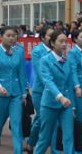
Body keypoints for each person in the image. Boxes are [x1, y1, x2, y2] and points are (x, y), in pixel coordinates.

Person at [33, 31, 80, 154]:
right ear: (52, 43)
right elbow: (48, 81)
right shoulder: (45, 60)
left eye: (66, 41)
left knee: (68, 136)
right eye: (61, 41)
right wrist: (60, 97)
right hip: (49, 104)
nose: (64, 44)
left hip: (66, 106)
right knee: (45, 137)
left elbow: (69, 86)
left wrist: (72, 107)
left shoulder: (67, 61)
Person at [0, 26, 28, 154]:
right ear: (1, 36)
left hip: (15, 94)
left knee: (17, 125)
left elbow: (21, 74)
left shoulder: (18, 52)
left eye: (14, 35)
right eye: (8, 35)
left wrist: (24, 94)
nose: (11, 38)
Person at [26, 26, 56, 154]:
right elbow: (41, 72)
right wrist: (53, 89)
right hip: (41, 90)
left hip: (56, 91)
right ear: (43, 37)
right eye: (49, 35)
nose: (52, 37)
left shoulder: (57, 50)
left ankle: (51, 146)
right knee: (41, 117)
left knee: (52, 120)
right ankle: (32, 142)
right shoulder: (37, 51)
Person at [68, 30, 82, 124]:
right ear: (75, 39)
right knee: (80, 115)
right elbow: (73, 71)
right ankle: (78, 137)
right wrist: (77, 86)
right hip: (79, 86)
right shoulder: (72, 52)